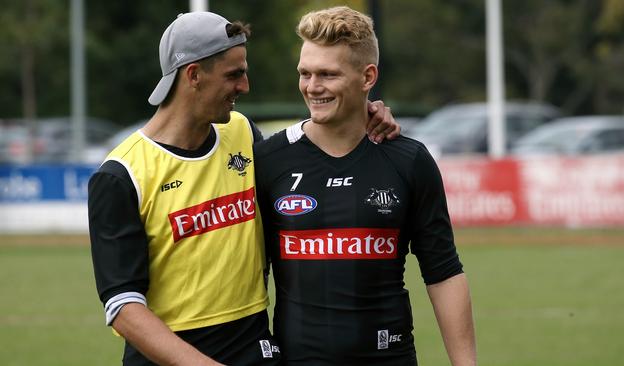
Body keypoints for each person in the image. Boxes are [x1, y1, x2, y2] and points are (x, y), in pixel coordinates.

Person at [88, 10, 399, 366]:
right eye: (234, 75)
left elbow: (309, 149)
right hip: (169, 355)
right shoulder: (121, 174)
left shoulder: (242, 133)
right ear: (194, 75)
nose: (245, 87)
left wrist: (365, 112)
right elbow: (122, 307)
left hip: (254, 346)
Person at [254, 6, 476, 366]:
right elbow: (249, 277)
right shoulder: (269, 160)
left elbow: (443, 272)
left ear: (367, 76)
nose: (312, 87)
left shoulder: (409, 161)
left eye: (328, 74)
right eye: (305, 73)